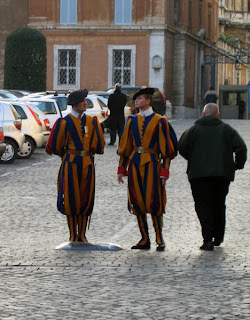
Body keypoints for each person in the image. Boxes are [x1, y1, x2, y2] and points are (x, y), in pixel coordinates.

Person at [179, 103, 247, 251]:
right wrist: (237, 165)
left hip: (198, 175)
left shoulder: (193, 129)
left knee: (202, 205)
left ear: (204, 114)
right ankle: (218, 236)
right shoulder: (227, 130)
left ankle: (207, 238)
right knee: (218, 203)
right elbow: (241, 147)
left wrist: (192, 159)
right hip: (222, 175)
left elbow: (182, 146)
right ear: (218, 115)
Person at [117, 87, 178, 251]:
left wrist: (165, 171)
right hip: (135, 164)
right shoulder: (131, 120)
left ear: (148, 101)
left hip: (152, 164)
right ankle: (144, 238)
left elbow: (167, 150)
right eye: (136, 99)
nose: (136, 101)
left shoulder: (160, 121)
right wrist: (122, 168)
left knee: (154, 201)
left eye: (140, 98)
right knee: (137, 201)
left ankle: (159, 238)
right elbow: (126, 146)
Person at [46, 89, 105, 243]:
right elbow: (55, 146)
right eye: (83, 101)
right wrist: (67, 156)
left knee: (86, 198)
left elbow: (99, 146)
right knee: (71, 198)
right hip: (70, 164)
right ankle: (73, 234)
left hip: (87, 164)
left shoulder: (92, 122)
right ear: (75, 104)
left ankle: (82, 235)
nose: (86, 103)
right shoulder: (64, 122)